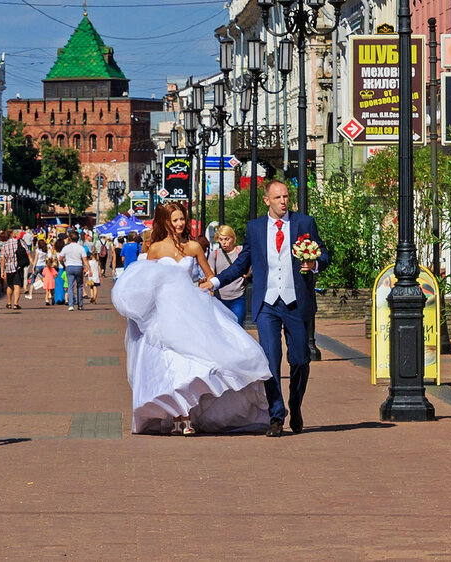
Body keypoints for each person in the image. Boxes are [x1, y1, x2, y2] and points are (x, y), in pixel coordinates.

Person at [112, 202, 272, 435]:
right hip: (163, 313)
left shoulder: (194, 246)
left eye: (181, 219)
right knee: (172, 365)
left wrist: (206, 287)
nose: (179, 224)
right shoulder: (155, 249)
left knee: (195, 363)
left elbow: (209, 276)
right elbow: (144, 281)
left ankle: (187, 415)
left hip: (191, 310)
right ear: (165, 222)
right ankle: (179, 417)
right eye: (174, 220)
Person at [201, 179, 330, 437]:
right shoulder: (256, 228)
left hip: (296, 301)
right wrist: (214, 281)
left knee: (301, 360)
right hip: (267, 304)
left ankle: (296, 403)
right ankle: (276, 415)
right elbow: (241, 264)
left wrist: (314, 264)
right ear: (266, 200)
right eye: (278, 197)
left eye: (286, 196)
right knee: (270, 360)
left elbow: (324, 254)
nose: (284, 201)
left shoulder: (304, 223)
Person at [207, 225, 246, 326]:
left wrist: (248, 273)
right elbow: (211, 273)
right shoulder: (214, 254)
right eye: (220, 239)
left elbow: (249, 265)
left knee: (237, 327)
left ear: (233, 238)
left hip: (238, 297)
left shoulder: (240, 251)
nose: (223, 242)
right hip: (220, 299)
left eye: (226, 239)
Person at [60, 231, 89, 311]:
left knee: (70, 286)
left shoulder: (66, 248)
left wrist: (64, 264)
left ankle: (71, 305)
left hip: (69, 266)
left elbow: (60, 258)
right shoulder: (81, 248)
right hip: (79, 266)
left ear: (69, 238)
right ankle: (80, 305)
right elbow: (85, 259)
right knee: (79, 286)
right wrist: (88, 268)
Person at [0, 230, 23, 310]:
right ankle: (15, 304)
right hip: (17, 266)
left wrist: (2, 270)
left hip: (8, 268)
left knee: (10, 285)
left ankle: (9, 302)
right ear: (12, 234)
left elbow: (2, 259)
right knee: (17, 285)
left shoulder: (5, 245)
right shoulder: (18, 242)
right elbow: (26, 251)